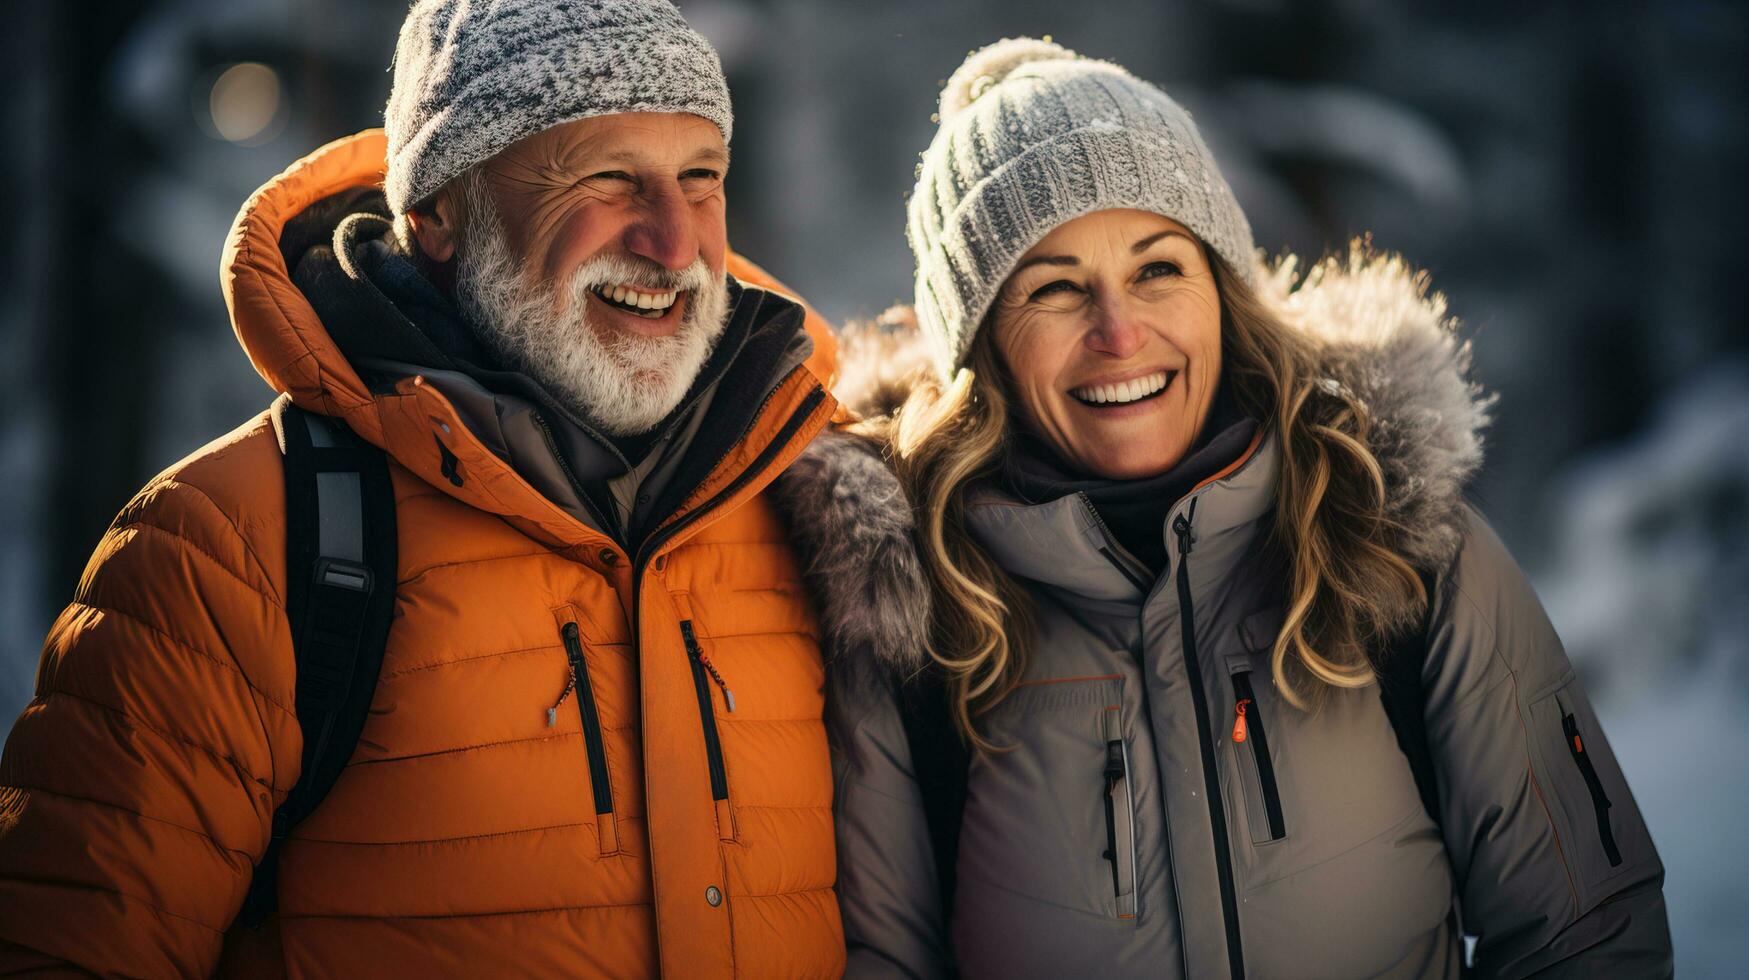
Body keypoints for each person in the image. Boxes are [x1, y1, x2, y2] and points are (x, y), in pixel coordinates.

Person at [0, 2, 850, 975]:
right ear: (438, 214)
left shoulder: (799, 499)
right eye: (606, 179)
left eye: (701, 180)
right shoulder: (230, 543)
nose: (672, 242)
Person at [820, 38, 1674, 979]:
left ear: (1223, 294)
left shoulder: (1399, 548)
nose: (1118, 332)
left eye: (1157, 269)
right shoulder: (914, 629)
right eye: (1054, 288)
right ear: (980, 349)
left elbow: (1586, 932)